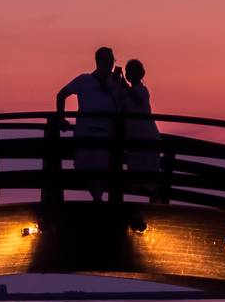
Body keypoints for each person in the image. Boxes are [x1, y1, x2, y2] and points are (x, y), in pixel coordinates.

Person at [56, 46, 129, 200]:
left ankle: (98, 201)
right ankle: (97, 201)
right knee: (85, 168)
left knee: (101, 170)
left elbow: (129, 103)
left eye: (111, 60)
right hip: (85, 133)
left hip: (106, 134)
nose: (110, 63)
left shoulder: (116, 84)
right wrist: (61, 118)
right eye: (107, 60)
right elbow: (62, 94)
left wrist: (123, 83)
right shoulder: (84, 80)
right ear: (98, 61)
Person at [123, 59, 161, 199]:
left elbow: (139, 101)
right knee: (137, 168)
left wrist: (125, 87)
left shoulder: (142, 90)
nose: (129, 74)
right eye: (128, 71)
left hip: (146, 134)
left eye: (132, 71)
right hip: (134, 135)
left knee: (148, 170)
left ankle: (155, 203)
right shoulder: (127, 91)